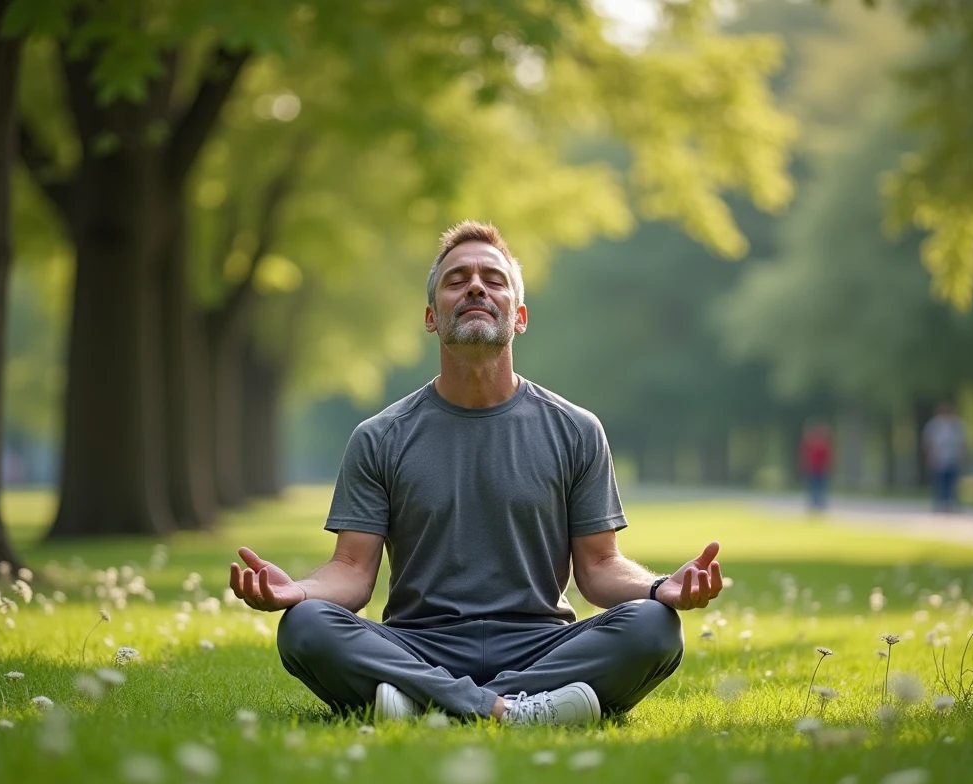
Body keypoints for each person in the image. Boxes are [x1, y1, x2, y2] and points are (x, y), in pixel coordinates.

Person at [228, 221, 724, 727]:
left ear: (520, 315)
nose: (476, 286)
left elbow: (599, 568)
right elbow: (353, 572)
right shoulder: (379, 437)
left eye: (493, 278)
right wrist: (299, 594)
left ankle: (422, 703)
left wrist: (661, 588)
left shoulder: (577, 430)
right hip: (419, 644)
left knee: (655, 628)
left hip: (541, 646)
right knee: (305, 627)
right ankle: (515, 711)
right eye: (457, 278)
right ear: (431, 316)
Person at [922, 401, 967, 512]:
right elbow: (929, 443)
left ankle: (950, 503)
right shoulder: (934, 426)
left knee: (952, 481)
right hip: (939, 459)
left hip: (952, 458)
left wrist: (961, 456)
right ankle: (940, 503)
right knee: (939, 481)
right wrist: (931, 456)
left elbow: (962, 443)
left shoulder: (957, 425)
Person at [798, 421, 833, 512]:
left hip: (821, 469)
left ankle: (818, 503)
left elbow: (827, 456)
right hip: (813, 468)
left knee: (819, 486)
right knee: (814, 486)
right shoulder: (811, 442)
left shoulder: (822, 443)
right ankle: (815, 503)